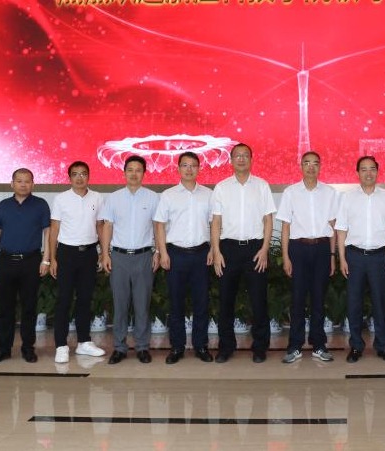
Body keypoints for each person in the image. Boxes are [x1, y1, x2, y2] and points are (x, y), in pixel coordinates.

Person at [210, 143, 276, 364]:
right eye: (237, 156)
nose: (241, 159)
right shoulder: (221, 187)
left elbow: (268, 220)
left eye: (245, 155)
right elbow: (216, 221)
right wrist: (216, 251)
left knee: (259, 301)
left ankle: (260, 347)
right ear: (231, 160)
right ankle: (226, 347)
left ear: (251, 159)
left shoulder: (262, 186)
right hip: (228, 249)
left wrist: (265, 249)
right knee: (225, 302)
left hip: (255, 249)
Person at [335, 156, 385, 363]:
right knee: (354, 303)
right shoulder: (347, 197)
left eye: (372, 169)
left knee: (380, 303)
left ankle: (382, 346)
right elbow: (341, 229)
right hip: (354, 256)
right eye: (364, 169)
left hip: (380, 257)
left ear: (377, 172)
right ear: (357, 173)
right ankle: (356, 346)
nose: (368, 173)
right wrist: (342, 259)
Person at [277, 151, 339, 364]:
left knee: (319, 299)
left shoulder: (330, 192)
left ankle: (318, 345)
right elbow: (285, 227)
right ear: (301, 166)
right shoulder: (290, 192)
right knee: (297, 300)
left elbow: (333, 226)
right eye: (307, 163)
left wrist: (332, 256)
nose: (311, 167)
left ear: (320, 166)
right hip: (298, 249)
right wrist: (286, 257)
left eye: (315, 163)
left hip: (322, 248)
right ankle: (294, 346)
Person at [154, 151, 214, 364]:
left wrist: (213, 250)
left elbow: (215, 224)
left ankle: (201, 346)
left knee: (201, 303)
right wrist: (162, 252)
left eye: (193, 165)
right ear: (178, 168)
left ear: (199, 168)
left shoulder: (209, 194)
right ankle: (177, 347)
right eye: (185, 165)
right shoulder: (168, 195)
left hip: (201, 254)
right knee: (176, 303)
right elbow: (159, 225)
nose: (189, 169)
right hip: (175, 254)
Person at [0, 168, 50, 364]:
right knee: (5, 308)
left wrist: (46, 260)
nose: (23, 184)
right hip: (5, 261)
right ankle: (3, 349)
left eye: (27, 181)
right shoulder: (3, 205)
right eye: (19, 181)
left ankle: (28, 348)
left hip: (31, 262)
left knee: (29, 307)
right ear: (12, 183)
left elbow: (47, 233)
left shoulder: (41, 205)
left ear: (33, 184)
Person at [99, 155, 160, 365]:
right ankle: (119, 348)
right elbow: (107, 226)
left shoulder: (153, 198)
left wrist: (158, 252)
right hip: (119, 257)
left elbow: (158, 227)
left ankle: (142, 347)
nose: (134, 174)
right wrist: (105, 254)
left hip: (144, 256)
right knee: (120, 305)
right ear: (124, 172)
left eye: (138, 170)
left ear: (144, 173)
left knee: (142, 305)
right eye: (130, 170)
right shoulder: (113, 198)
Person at [48, 161, 106, 364]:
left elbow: (100, 226)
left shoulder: (97, 197)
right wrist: (52, 258)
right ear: (69, 177)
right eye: (75, 174)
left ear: (89, 176)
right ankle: (61, 345)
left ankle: (84, 342)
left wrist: (103, 253)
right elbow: (54, 229)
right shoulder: (61, 199)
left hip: (89, 254)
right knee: (64, 300)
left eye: (83, 174)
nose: (79, 178)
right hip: (66, 253)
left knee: (85, 299)